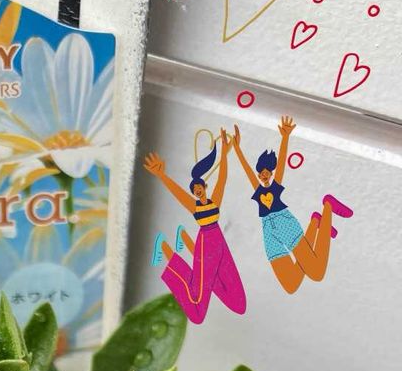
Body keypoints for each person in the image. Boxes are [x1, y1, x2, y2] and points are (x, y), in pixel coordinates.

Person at [231, 116, 353, 294]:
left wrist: (285, 137)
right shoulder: (258, 189)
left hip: (284, 224)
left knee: (317, 273)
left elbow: (281, 165)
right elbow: (247, 170)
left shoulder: (275, 185)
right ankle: (315, 223)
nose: (263, 176)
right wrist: (236, 148)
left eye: (266, 172)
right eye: (260, 173)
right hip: (268, 233)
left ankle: (328, 206)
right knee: (290, 285)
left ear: (270, 173)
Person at [143, 128, 246, 324]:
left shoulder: (214, 202)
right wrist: (161, 175)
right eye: (194, 190)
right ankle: (166, 249)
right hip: (206, 243)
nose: (197, 191)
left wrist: (224, 153)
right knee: (197, 310)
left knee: (238, 303)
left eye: (199, 188)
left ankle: (184, 243)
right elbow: (178, 193)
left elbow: (222, 179)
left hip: (219, 242)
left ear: (205, 187)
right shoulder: (195, 207)